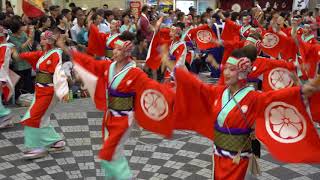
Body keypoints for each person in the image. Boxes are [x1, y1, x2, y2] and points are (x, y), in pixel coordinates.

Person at [162, 47, 320, 179]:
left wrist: (308, 88)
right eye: (226, 69)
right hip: (218, 154)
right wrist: (170, 64)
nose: (226, 73)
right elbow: (196, 85)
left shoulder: (254, 98)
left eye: (232, 70)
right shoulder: (218, 92)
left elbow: (279, 97)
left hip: (239, 159)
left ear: (242, 73)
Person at [57, 34, 174, 179]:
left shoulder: (136, 73)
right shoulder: (108, 66)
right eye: (114, 49)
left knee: (110, 151)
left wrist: (173, 92)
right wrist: (65, 49)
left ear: (126, 53)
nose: (115, 52)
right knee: (110, 151)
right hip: (109, 115)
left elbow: (153, 88)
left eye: (118, 50)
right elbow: (89, 62)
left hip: (124, 119)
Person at [17, 30, 70, 159]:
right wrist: (21, 50)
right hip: (40, 91)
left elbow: (58, 72)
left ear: (51, 41)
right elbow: (25, 55)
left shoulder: (56, 54)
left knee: (32, 118)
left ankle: (37, 147)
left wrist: (63, 91)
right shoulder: (44, 54)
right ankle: (55, 141)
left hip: (48, 92)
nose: (42, 41)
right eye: (41, 39)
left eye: (45, 39)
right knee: (42, 118)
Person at [0, 26, 19, 128]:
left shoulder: (8, 46)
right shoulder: (9, 46)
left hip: (2, 74)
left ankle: (5, 115)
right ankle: (5, 119)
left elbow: (17, 57)